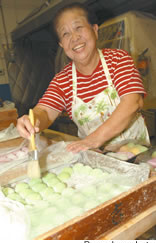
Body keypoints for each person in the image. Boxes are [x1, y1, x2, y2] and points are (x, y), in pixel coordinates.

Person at [17, 2, 150, 153]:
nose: (74, 37)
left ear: (94, 30)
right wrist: (32, 120)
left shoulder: (118, 60)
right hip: (97, 159)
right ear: (61, 44)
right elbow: (45, 112)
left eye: (78, 27)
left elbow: (132, 102)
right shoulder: (62, 80)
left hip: (136, 154)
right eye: (65, 33)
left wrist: (92, 140)